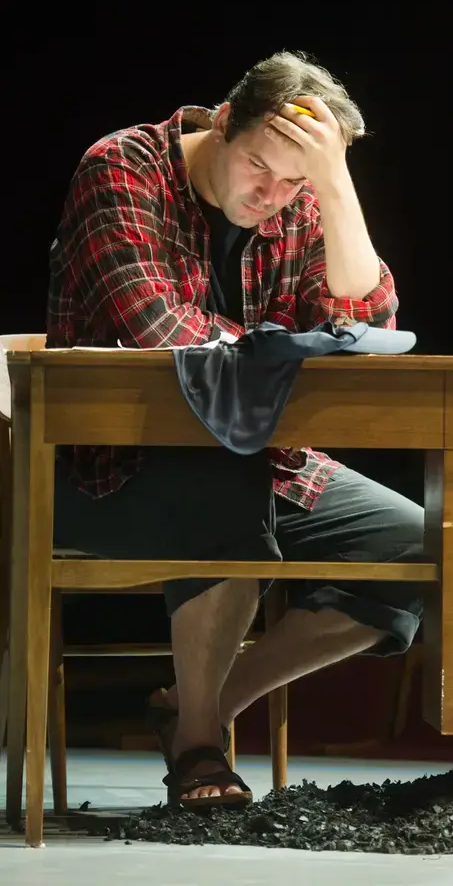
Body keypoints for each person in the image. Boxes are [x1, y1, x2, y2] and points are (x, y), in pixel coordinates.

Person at [47, 51, 425, 810]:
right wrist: (292, 351)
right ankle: (196, 751)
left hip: (257, 456)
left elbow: (371, 321)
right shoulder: (121, 168)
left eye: (296, 182)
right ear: (224, 124)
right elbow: (159, 332)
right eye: (260, 167)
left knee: (417, 542)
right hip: (105, 468)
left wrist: (335, 183)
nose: (272, 197)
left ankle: (199, 708)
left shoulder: (299, 198)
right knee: (229, 488)